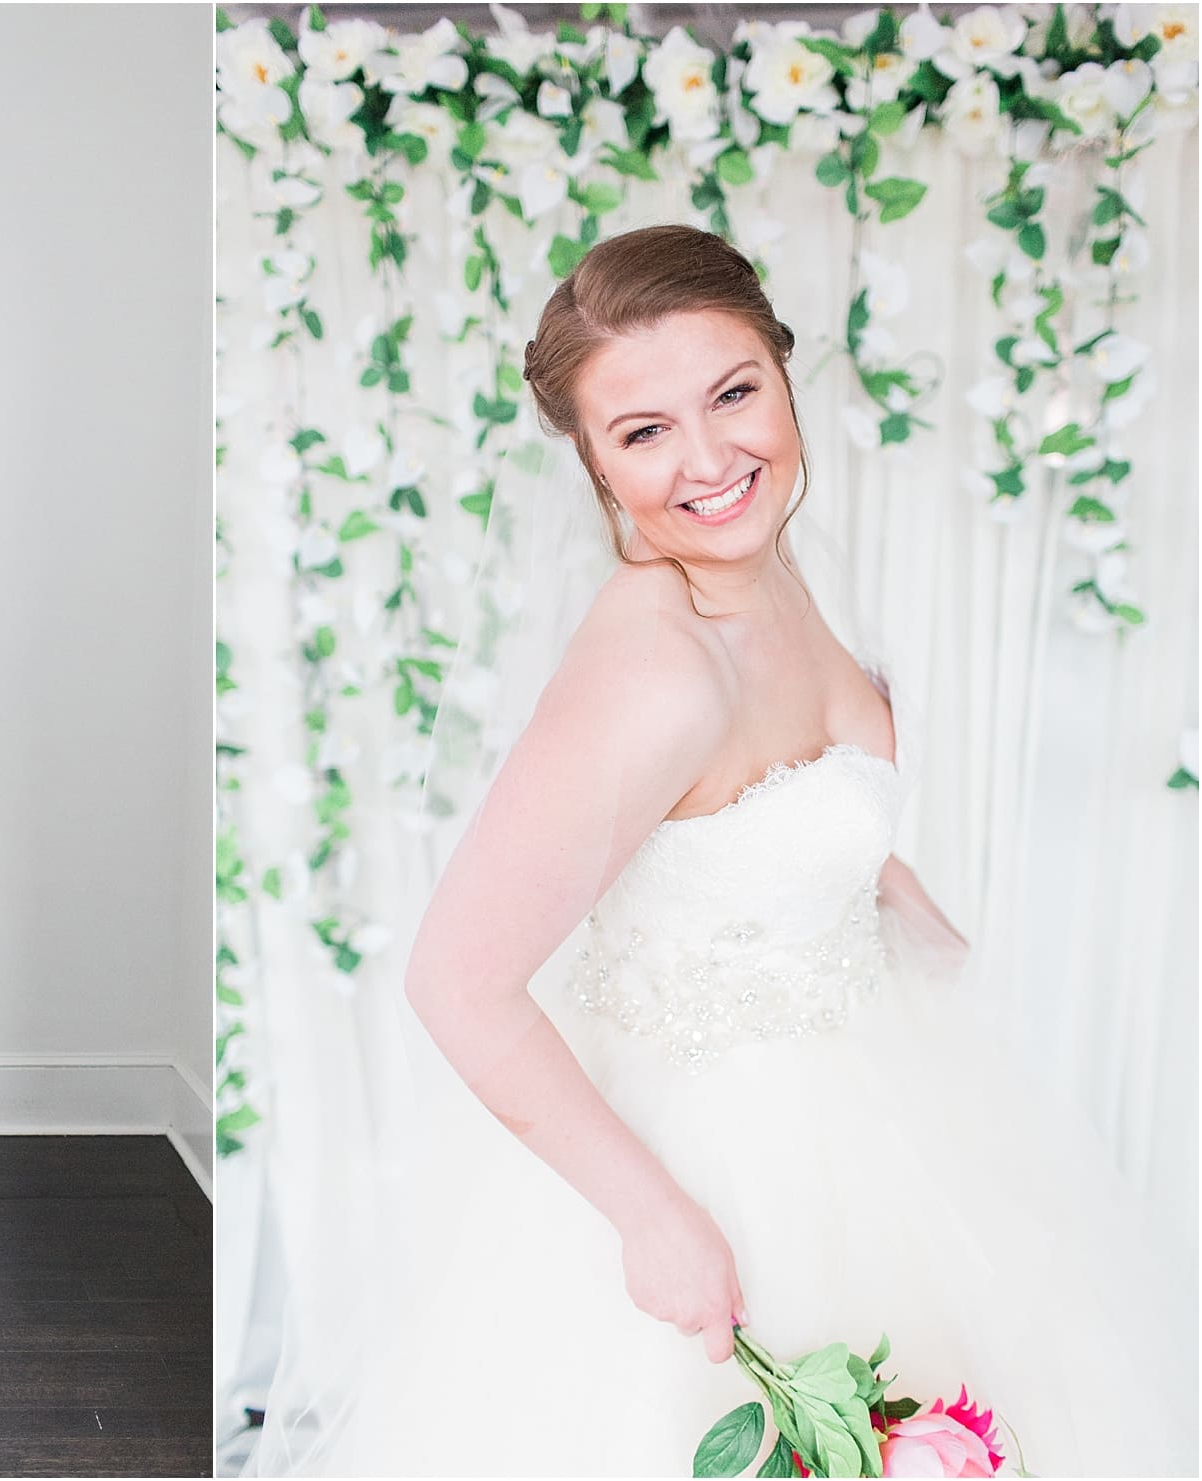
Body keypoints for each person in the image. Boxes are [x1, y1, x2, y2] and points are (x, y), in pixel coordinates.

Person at [253, 226, 1194, 1476]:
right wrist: (658, 1219)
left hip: (876, 1091)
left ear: (783, 371)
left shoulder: (771, 571)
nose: (710, 459)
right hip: (720, 1157)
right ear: (592, 461)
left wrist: (898, 906)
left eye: (733, 393)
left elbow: (777, 818)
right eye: (642, 432)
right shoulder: (659, 665)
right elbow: (457, 979)